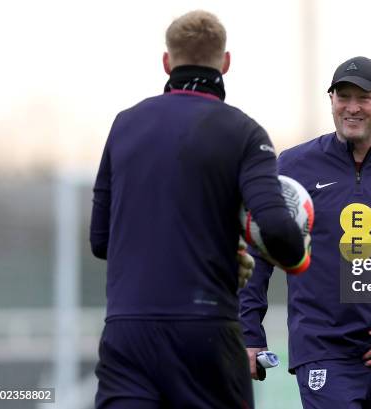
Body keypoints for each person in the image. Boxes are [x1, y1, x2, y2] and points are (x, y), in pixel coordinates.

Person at [89, 10, 308, 409]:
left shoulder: (125, 125)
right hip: (205, 333)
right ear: (225, 62)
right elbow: (277, 229)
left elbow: (101, 240)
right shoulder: (244, 132)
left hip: (127, 332)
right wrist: (296, 254)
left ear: (167, 62)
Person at [239, 56, 371, 409]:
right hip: (323, 351)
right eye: (342, 96)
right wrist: (248, 333)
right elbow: (258, 251)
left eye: (363, 97)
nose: (351, 107)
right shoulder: (291, 167)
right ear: (331, 101)